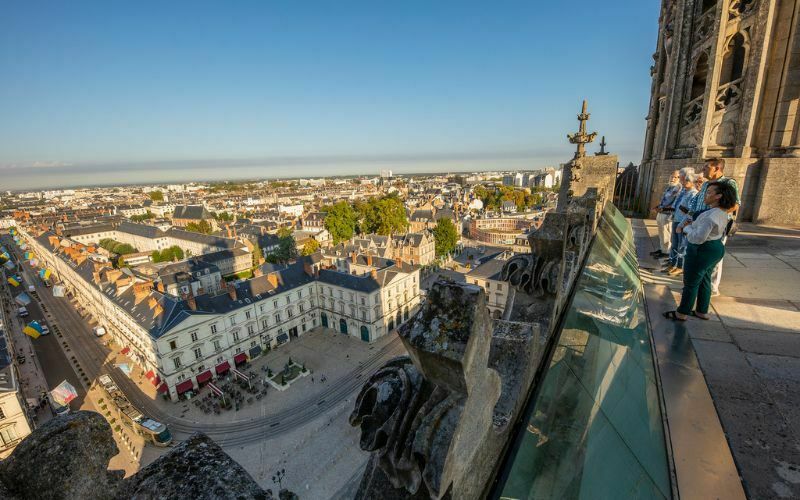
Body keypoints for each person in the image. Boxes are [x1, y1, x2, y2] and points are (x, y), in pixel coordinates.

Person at [663, 181, 738, 321]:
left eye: (709, 192)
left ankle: (682, 313)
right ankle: (702, 310)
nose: (705, 195)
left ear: (718, 196)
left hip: (702, 250)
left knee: (691, 282)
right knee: (705, 279)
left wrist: (684, 228)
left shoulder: (710, 216)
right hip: (715, 247)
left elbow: (697, 238)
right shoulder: (721, 212)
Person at [688, 158, 741, 295]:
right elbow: (699, 203)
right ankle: (700, 284)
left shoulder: (728, 183)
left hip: (715, 225)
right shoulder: (706, 185)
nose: (703, 169)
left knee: (713, 258)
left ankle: (712, 287)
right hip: (700, 223)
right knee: (699, 255)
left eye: (706, 167)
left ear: (717, 168)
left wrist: (713, 214)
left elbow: (734, 204)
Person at [662, 168, 698, 274]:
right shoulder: (684, 191)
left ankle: (680, 266)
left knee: (682, 246)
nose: (683, 182)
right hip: (676, 220)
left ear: (692, 182)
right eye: (683, 180)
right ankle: (672, 263)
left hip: (683, 223)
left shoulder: (693, 194)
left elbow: (691, 212)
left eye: (686, 180)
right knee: (674, 244)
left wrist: (682, 224)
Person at [650, 170, 681, 259]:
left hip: (668, 214)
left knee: (666, 233)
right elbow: (664, 200)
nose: (673, 178)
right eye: (672, 176)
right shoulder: (670, 187)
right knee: (661, 233)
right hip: (661, 212)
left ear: (679, 178)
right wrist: (658, 207)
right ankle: (662, 249)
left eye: (675, 177)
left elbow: (675, 203)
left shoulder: (679, 188)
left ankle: (666, 252)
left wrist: (663, 208)